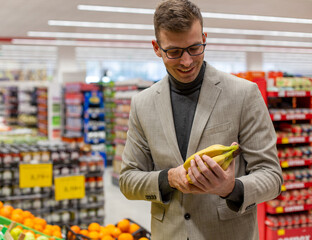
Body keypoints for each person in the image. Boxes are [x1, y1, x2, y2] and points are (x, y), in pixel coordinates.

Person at [119, 0, 283, 239]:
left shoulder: (243, 94)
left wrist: (231, 188)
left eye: (195, 48)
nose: (186, 61)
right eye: (174, 52)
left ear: (205, 37)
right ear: (156, 47)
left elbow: (272, 176)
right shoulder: (143, 104)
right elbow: (128, 180)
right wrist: (168, 179)